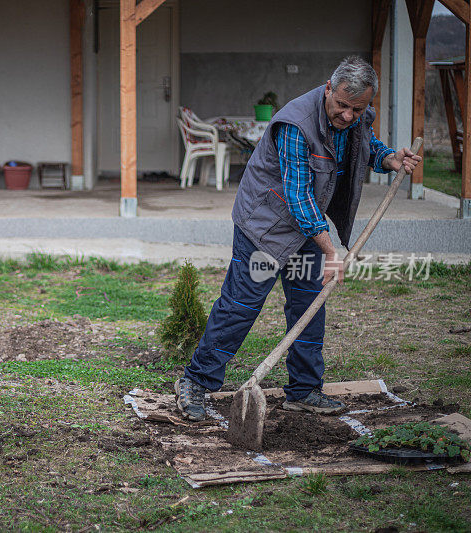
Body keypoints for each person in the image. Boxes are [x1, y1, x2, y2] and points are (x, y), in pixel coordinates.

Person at [176, 56, 422, 421]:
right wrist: (331, 249)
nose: (349, 115)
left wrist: (389, 159)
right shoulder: (296, 124)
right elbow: (299, 197)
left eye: (358, 108)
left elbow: (364, 145)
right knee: (241, 306)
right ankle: (196, 382)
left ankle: (304, 390)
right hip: (265, 228)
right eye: (342, 105)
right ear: (328, 89)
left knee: (309, 305)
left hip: (308, 229)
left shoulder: (354, 117)